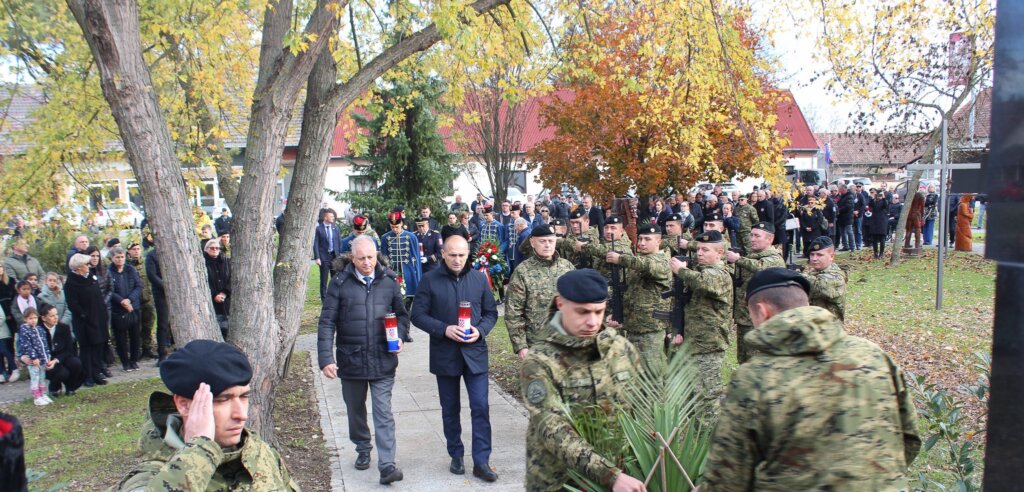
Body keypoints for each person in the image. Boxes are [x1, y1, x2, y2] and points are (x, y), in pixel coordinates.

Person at [701, 268, 920, 490]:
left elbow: (727, 478)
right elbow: (909, 437)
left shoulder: (754, 378)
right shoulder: (872, 354)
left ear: (761, 311)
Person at [519, 269, 646, 491]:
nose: (592, 322)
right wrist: (609, 475)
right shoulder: (540, 359)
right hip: (560, 481)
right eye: (583, 312)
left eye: (599, 312)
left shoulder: (621, 349)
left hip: (620, 478)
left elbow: (642, 409)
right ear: (560, 304)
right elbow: (551, 427)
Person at [115, 340, 299, 490]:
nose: (241, 414)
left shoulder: (258, 452)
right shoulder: (152, 475)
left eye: (243, 396)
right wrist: (201, 448)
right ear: (184, 405)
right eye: (223, 400)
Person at [317, 236, 408, 484]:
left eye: (371, 257)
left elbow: (402, 316)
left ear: (376, 254)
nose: (367, 263)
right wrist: (326, 358)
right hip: (351, 360)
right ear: (352, 258)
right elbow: (326, 323)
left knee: (383, 412)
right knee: (355, 410)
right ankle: (362, 447)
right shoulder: (339, 283)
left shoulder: (389, 281)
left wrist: (399, 336)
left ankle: (388, 465)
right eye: (361, 258)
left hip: (383, 359)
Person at [410, 235, 500, 482]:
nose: (457, 260)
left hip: (475, 354)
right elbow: (416, 315)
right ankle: (456, 454)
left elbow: (491, 313)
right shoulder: (429, 280)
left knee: (480, 407)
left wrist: (480, 330)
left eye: (462, 255)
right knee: (450, 408)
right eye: (452, 255)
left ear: (468, 253)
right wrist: (444, 329)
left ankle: (481, 461)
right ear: (443, 255)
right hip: (445, 354)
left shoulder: (479, 279)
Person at [668, 230, 733, 419]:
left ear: (719, 253)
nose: (700, 253)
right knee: (694, 392)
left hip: (710, 344)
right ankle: (699, 434)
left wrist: (680, 269)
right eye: (698, 249)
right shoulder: (699, 271)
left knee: (708, 394)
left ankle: (711, 436)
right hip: (695, 341)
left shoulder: (719, 274)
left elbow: (704, 283)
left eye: (705, 250)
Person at [601, 223, 672, 374]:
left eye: (648, 239)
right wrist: (617, 314)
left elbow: (646, 265)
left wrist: (620, 258)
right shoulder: (639, 261)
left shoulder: (661, 261)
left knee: (651, 374)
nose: (642, 243)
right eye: (640, 239)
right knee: (636, 372)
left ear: (658, 242)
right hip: (634, 326)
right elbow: (626, 292)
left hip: (651, 327)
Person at [505, 225, 574, 361]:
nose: (547, 245)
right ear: (532, 242)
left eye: (551, 241)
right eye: (542, 241)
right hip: (536, 344)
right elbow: (513, 311)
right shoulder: (523, 271)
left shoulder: (567, 267)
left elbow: (579, 303)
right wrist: (521, 345)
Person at [726, 222, 785, 363]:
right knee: (744, 359)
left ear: (769, 239)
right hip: (745, 318)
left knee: (758, 361)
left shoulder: (774, 258)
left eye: (757, 236)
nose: (752, 239)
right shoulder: (752, 257)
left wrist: (738, 259)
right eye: (751, 235)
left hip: (762, 320)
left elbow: (762, 268)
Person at [65, 253, 109, 387]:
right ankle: (87, 376)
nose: (88, 267)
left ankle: (97, 374)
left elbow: (99, 296)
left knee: (98, 347)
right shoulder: (71, 283)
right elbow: (73, 304)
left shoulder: (91, 278)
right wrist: (84, 315)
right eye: (86, 264)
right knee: (87, 349)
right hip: (84, 322)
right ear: (78, 268)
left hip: (98, 318)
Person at [108, 247, 143, 372]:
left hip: (133, 307)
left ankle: (134, 360)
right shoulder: (108, 271)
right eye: (117, 257)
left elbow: (138, 286)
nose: (120, 259)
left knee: (135, 335)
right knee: (120, 337)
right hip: (118, 309)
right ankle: (125, 362)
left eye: (122, 257)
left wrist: (129, 300)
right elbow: (109, 290)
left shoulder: (130, 269)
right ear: (112, 258)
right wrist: (121, 301)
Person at [39, 303, 84, 398]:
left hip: (61, 356)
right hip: (46, 360)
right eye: (52, 316)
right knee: (62, 373)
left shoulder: (64, 328)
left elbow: (69, 349)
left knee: (76, 363)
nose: (55, 318)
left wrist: (57, 360)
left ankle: (70, 388)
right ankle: (53, 389)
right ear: (43, 318)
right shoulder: (39, 330)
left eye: (56, 314)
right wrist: (47, 361)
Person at [381, 211, 423, 302]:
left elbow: (416, 259)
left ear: (401, 223)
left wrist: (418, 278)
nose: (395, 229)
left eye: (397, 227)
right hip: (393, 273)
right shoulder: (385, 238)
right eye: (392, 227)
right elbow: (383, 259)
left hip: (409, 273)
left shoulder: (411, 237)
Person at [803, 236, 847, 321]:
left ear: (831, 256)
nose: (814, 258)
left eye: (819, 255)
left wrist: (795, 275)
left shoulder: (836, 276)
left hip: (830, 329)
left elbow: (818, 286)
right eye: (812, 254)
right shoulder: (813, 272)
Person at [16, 308, 54, 406]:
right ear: (25, 319)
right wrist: (33, 357)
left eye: (35, 318)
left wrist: (48, 356)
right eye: (30, 318)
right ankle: (37, 397)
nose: (33, 320)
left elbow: (45, 344)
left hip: (42, 359)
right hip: (34, 361)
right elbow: (27, 345)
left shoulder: (40, 329)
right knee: (35, 378)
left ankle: (43, 394)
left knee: (42, 377)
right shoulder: (24, 330)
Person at [127, 243, 157, 359]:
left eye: (138, 249)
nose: (136, 251)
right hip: (134, 301)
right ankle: (137, 350)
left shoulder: (145, 264)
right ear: (128, 251)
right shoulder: (127, 266)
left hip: (147, 300)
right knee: (136, 327)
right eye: (133, 249)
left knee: (148, 326)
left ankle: (147, 348)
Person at [146, 247, 171, 365]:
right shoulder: (151, 255)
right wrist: (166, 287)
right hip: (160, 292)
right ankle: (162, 353)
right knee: (163, 323)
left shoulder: (173, 251)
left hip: (176, 290)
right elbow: (152, 275)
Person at [313, 208, 343, 301]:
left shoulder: (335, 228)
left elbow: (339, 242)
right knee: (324, 279)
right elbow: (316, 244)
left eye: (333, 216)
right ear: (325, 217)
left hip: (335, 257)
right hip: (324, 257)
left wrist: (340, 255)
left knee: (335, 277)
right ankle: (324, 298)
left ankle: (335, 296)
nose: (333, 218)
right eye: (331, 216)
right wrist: (317, 257)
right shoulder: (319, 229)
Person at [203, 239, 231, 336]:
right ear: (206, 249)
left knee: (227, 329)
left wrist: (224, 293)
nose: (215, 250)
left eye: (217, 248)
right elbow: (203, 282)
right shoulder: (202, 263)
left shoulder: (227, 262)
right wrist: (214, 295)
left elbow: (232, 279)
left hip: (226, 300)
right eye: (212, 248)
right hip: (210, 301)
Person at [0, 265, 19, 384]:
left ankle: (12, 369)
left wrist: (10, 313)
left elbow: (14, 297)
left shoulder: (10, 281)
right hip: (1, 314)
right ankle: (2, 371)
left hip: (10, 315)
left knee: (9, 344)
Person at [865, 190, 890, 259]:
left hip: (882, 222)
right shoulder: (874, 202)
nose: (879, 197)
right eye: (878, 195)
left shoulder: (884, 202)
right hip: (874, 222)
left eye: (880, 195)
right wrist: (873, 197)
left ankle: (881, 253)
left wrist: (883, 197)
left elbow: (885, 205)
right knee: (874, 239)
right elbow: (870, 204)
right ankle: (875, 253)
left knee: (882, 239)